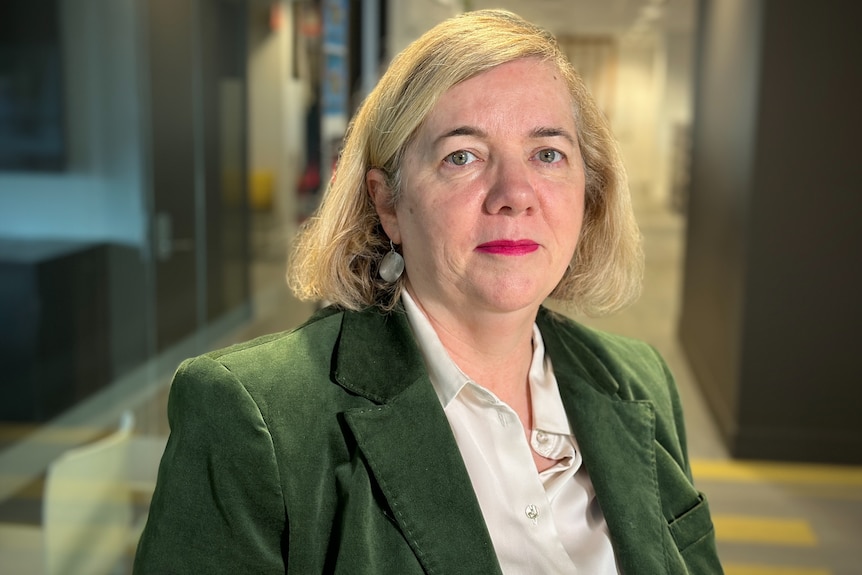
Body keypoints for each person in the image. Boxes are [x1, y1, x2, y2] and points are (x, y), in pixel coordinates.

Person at [134, 9, 723, 575]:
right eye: (462, 156)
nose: (515, 193)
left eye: (548, 154)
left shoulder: (639, 380)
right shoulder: (252, 417)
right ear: (388, 202)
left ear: (588, 193)